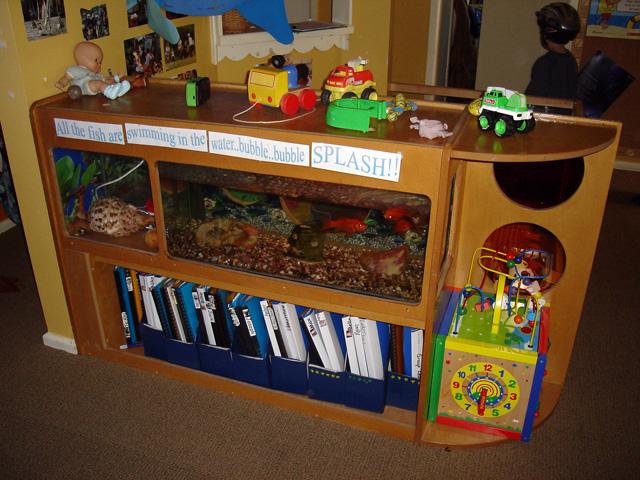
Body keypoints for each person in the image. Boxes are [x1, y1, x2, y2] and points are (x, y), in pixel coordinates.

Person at [525, 2, 581, 104]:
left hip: (544, 118)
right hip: (565, 118)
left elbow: (531, 101)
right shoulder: (571, 61)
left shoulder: (544, 63)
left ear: (545, 34)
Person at [55, 41, 130, 100]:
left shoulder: (93, 73)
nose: (99, 64)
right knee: (98, 83)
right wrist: (61, 83)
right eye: (96, 61)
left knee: (105, 81)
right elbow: (66, 77)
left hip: (93, 85)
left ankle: (119, 90)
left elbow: (104, 78)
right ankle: (110, 92)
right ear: (83, 58)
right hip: (83, 87)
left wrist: (115, 78)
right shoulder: (76, 69)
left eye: (100, 62)